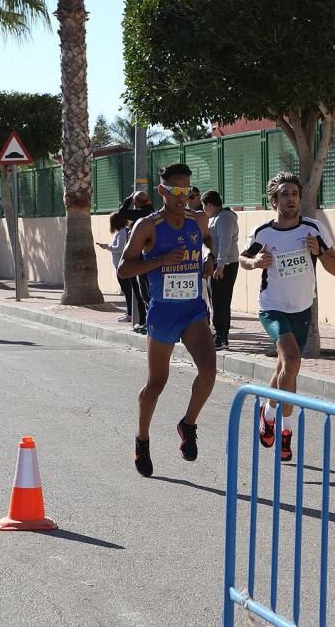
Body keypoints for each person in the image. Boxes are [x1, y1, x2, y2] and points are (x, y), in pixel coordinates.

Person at [118, 163, 216, 477]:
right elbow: (124, 269)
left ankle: (188, 423)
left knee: (209, 372)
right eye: (175, 190)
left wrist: (210, 258)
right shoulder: (148, 226)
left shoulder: (198, 219)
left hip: (193, 310)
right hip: (162, 312)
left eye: (186, 191)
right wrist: (159, 260)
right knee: (156, 383)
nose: (181, 196)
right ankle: (142, 439)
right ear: (162, 191)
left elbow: (208, 240)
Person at [240, 172, 335, 462]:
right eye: (284, 194)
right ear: (275, 200)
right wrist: (255, 262)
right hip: (272, 307)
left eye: (295, 193)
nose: (291, 198)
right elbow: (243, 259)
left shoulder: (313, 228)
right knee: (293, 361)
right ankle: (287, 431)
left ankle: (268, 413)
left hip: (301, 308)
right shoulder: (263, 232)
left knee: (285, 368)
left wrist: (319, 250)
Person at [202, 190, 240, 350]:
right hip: (217, 264)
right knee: (216, 300)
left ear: (209, 204)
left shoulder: (224, 217)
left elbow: (224, 242)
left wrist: (220, 265)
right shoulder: (216, 218)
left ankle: (221, 337)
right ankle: (219, 333)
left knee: (220, 301)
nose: (204, 210)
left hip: (225, 265)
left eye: (204, 206)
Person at [118, 190, 155, 334]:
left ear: (136, 203)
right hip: (149, 259)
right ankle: (145, 322)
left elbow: (121, 212)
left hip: (141, 260)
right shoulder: (152, 212)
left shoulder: (140, 215)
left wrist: (128, 197)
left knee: (146, 294)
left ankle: (148, 323)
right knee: (144, 294)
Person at [96, 212, 135, 322]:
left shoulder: (122, 233)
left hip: (121, 266)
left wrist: (107, 247)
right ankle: (129, 313)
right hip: (121, 265)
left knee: (127, 290)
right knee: (127, 290)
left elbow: (119, 248)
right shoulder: (122, 232)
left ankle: (130, 314)